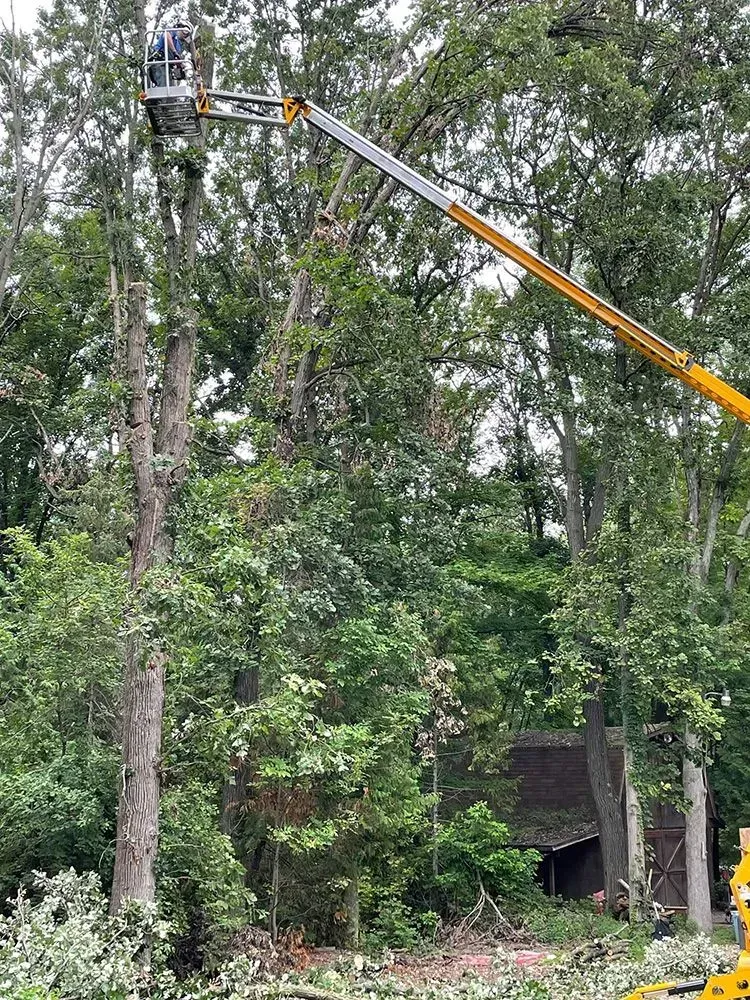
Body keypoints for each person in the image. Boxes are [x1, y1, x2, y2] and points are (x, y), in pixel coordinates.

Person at [148, 21, 194, 88]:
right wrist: (174, 52)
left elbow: (175, 58)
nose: (185, 35)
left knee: (170, 88)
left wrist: (180, 65)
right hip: (159, 62)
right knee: (164, 87)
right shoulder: (173, 31)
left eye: (187, 35)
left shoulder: (179, 46)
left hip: (168, 67)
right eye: (185, 32)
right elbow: (166, 35)